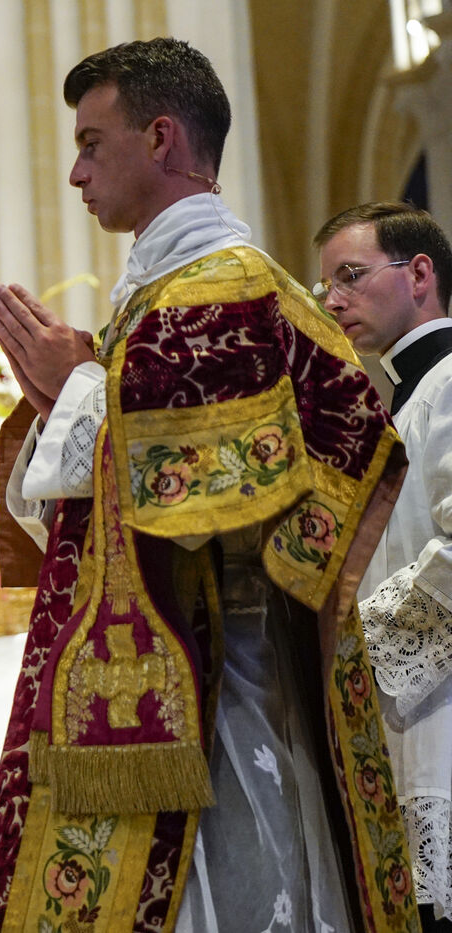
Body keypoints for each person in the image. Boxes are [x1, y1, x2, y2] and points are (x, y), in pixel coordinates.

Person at [0, 39, 416, 932]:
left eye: (92, 144)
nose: (75, 173)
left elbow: (208, 486)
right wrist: (68, 396)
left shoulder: (223, 289)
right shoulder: (165, 294)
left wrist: (78, 388)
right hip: (186, 663)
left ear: (162, 137)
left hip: (218, 681)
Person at [316, 201, 452, 930]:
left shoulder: (450, 381)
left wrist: (358, 644)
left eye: (351, 275)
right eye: (325, 286)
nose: (333, 300)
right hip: (409, 722)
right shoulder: (405, 399)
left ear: (420, 273)